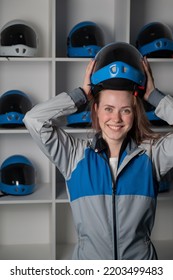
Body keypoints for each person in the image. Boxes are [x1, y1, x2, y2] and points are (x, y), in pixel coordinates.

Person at [23, 42, 173, 260]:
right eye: (108, 109)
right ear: (96, 109)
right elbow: (33, 120)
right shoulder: (73, 156)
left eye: (126, 110)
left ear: (135, 112)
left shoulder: (152, 156)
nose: (116, 119)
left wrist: (153, 95)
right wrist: (82, 93)